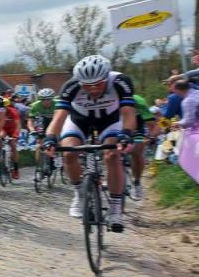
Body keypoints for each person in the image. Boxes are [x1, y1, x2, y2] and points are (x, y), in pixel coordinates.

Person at [44, 55, 136, 231]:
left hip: (110, 120)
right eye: (87, 85)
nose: (92, 89)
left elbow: (128, 113)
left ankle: (116, 209)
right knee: (69, 153)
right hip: (80, 120)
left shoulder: (120, 81)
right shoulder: (70, 86)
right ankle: (79, 194)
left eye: (98, 84)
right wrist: (50, 139)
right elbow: (58, 118)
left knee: (112, 155)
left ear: (107, 77)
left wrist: (126, 134)